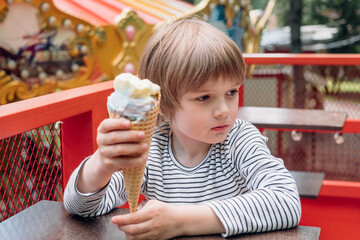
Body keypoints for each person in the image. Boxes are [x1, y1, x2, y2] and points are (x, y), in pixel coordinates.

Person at [64, 17, 301, 240]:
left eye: (231, 92)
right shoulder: (150, 149)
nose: (224, 110)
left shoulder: (240, 139)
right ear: (162, 104)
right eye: (204, 97)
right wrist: (102, 164)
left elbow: (286, 201)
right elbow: (79, 207)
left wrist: (180, 222)